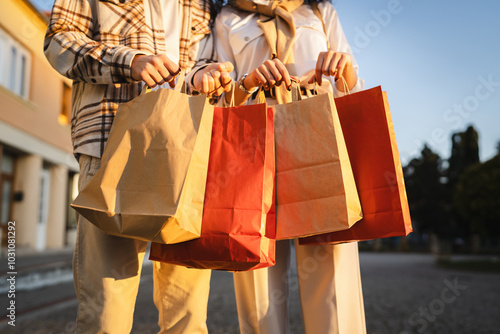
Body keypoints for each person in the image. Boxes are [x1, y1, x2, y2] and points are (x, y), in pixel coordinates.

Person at [44, 0, 232, 332]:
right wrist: (128, 61)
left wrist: (205, 74)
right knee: (105, 313)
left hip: (185, 152)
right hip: (111, 146)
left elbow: (200, 64)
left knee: (187, 317)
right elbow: (59, 41)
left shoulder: (204, 5)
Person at [190, 0, 367, 332]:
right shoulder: (228, 16)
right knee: (258, 291)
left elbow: (351, 87)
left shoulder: (319, 10)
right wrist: (248, 81)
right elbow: (219, 100)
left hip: (318, 144)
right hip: (251, 152)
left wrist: (344, 70)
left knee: (333, 282)